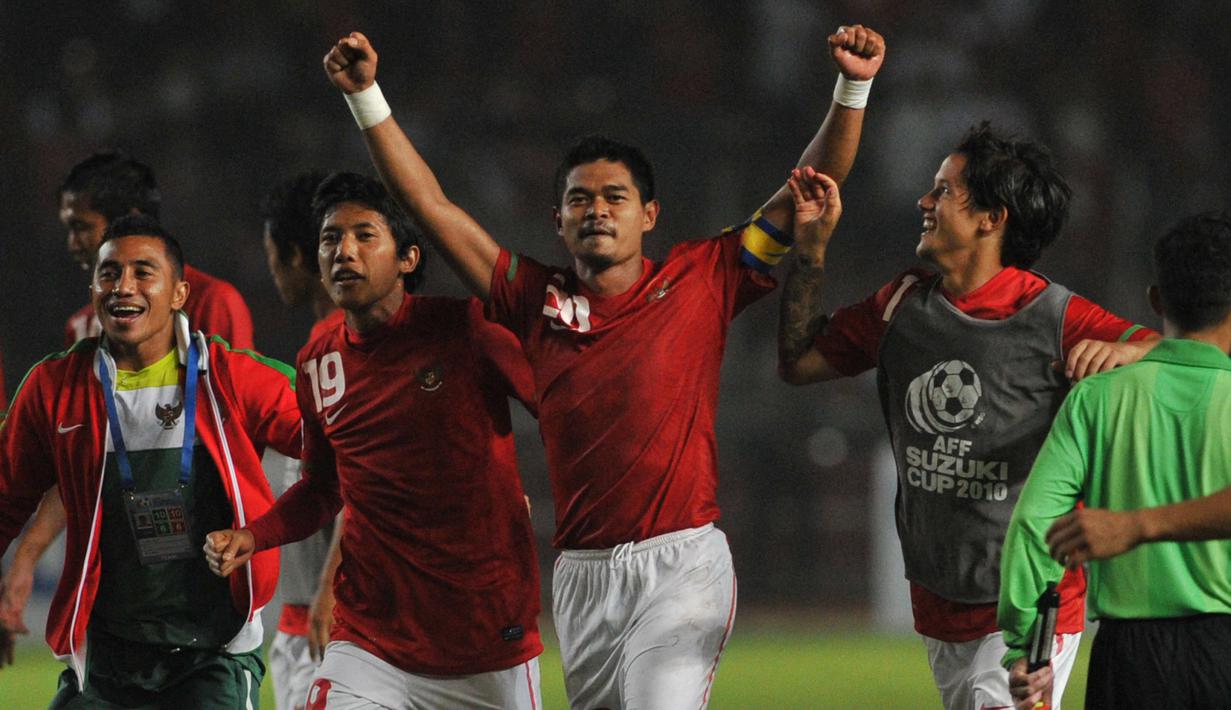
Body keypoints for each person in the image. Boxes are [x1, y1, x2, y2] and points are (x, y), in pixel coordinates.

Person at [319, 23, 884, 708]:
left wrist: (852, 84)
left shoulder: (704, 277)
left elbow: (808, 186)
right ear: (556, 220)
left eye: (614, 197)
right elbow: (428, 206)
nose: (597, 210)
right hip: (584, 577)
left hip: (681, 566)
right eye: (579, 199)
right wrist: (366, 96)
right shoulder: (531, 299)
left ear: (648, 214)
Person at [776, 125, 1159, 709]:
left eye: (943, 191)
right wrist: (810, 251)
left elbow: (1198, 359)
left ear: (990, 218)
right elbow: (800, 361)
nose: (924, 202)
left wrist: (1134, 350)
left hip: (1031, 599)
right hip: (939, 598)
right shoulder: (902, 303)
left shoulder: (1053, 316)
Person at [206, 172, 543, 709]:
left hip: (483, 635)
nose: (344, 251)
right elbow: (322, 486)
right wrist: (255, 536)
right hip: (370, 638)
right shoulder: (318, 363)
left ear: (408, 258)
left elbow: (559, 412)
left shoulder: (466, 330)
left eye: (364, 235)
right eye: (330, 239)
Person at [0, 214, 300, 705]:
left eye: (143, 272)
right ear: (93, 288)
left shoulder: (230, 378)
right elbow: (7, 495)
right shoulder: (54, 389)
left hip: (213, 656)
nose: (124, 286)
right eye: (109, 273)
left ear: (179, 293)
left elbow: (337, 449)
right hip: (107, 657)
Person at [0, 152, 261, 639]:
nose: (73, 242)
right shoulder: (82, 328)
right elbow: (76, 457)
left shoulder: (214, 303)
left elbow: (239, 439)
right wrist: (27, 557)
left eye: (82, 226)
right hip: (117, 575)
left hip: (203, 570)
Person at [1000, 210, 1231, 710]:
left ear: (1155, 300)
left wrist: (1029, 651)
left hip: (1129, 660)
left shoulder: (1096, 399)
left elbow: (1035, 525)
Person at [259, 171, 344, 710]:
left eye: (270, 256)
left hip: (330, 622)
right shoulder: (317, 349)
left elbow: (363, 481)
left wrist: (331, 588)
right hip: (302, 621)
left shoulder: (344, 348)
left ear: (294, 255)